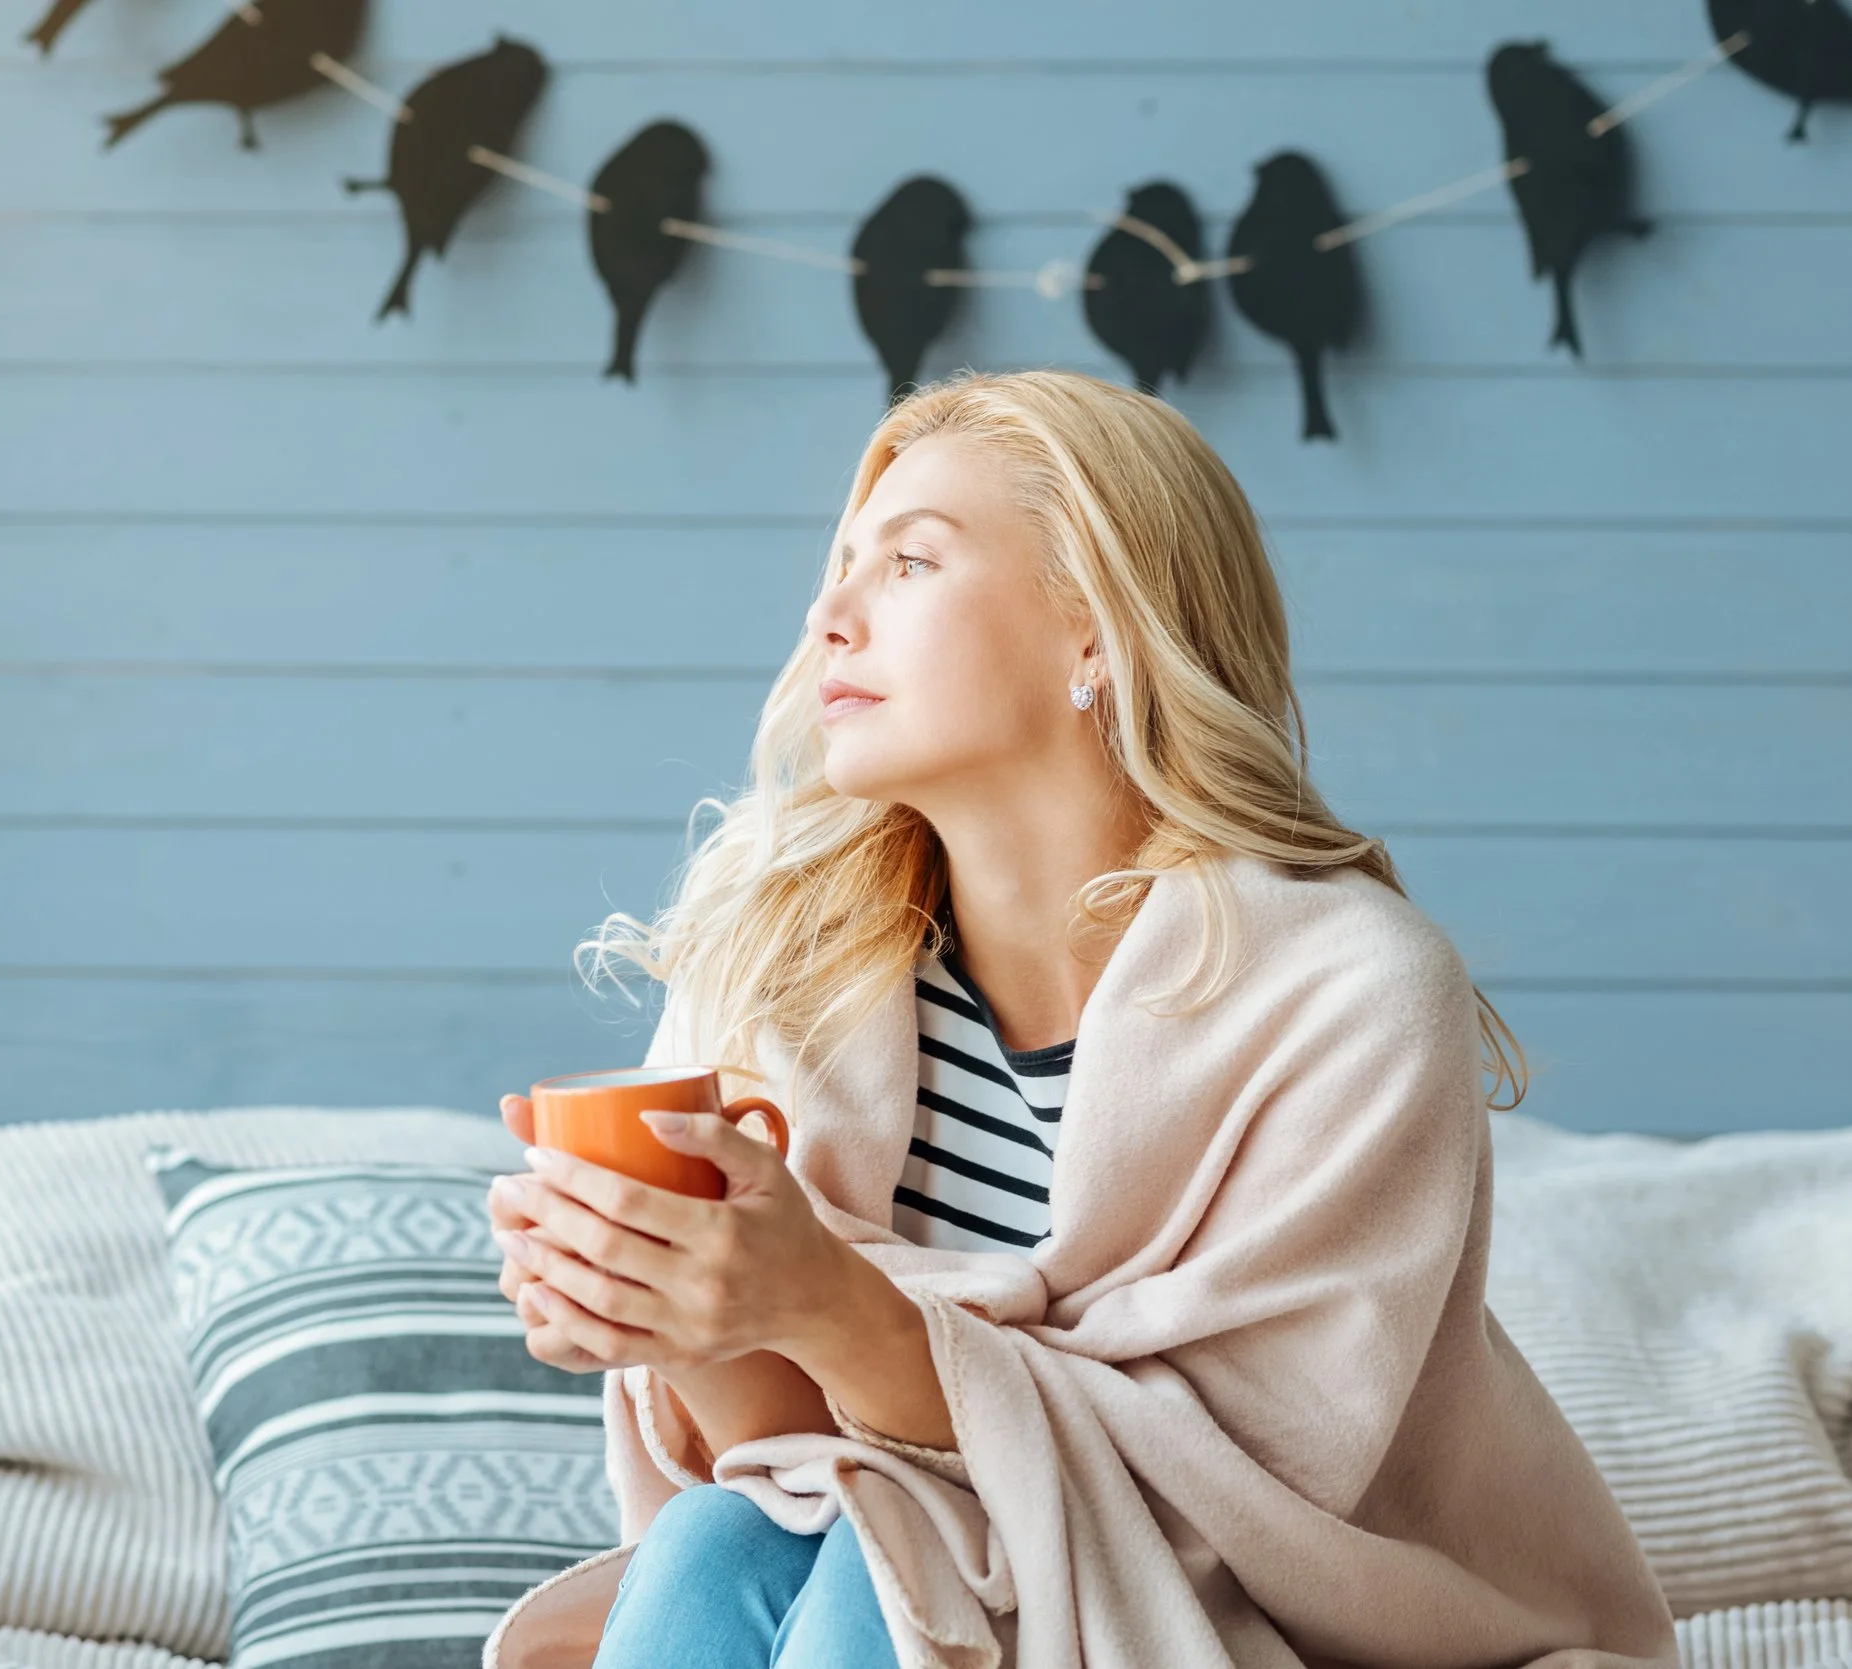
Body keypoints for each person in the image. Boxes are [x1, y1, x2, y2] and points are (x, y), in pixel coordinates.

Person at [477, 368, 1676, 1669]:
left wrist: (840, 1309)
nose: (829, 614)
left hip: (1282, 1620)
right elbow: (785, 1457)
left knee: (868, 1595)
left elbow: (1248, 1504)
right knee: (727, 1545)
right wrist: (686, 1314)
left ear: (1096, 630)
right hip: (899, 1572)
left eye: (911, 563)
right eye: (839, 565)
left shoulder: (1348, 992)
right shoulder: (776, 965)